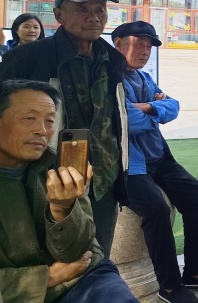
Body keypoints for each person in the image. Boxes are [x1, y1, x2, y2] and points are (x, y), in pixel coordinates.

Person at [0, 0, 127, 256]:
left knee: (98, 262)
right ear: (59, 15)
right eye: (83, 9)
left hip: (102, 182)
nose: (94, 17)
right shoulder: (27, 58)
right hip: (44, 181)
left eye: (100, 9)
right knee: (54, 263)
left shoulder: (113, 60)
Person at [0, 79, 138, 303]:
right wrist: (46, 278)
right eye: (29, 118)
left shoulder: (60, 168)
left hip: (82, 279)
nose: (42, 130)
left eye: (49, 120)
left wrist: (62, 209)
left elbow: (80, 253)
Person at [112, 22, 198, 303]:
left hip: (160, 158)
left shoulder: (144, 78)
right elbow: (125, 122)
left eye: (149, 46)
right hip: (131, 165)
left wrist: (147, 107)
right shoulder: (110, 80)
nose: (145, 51)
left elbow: (174, 107)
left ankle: (196, 272)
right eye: (140, 43)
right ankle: (168, 286)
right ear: (119, 43)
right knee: (156, 209)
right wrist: (157, 109)